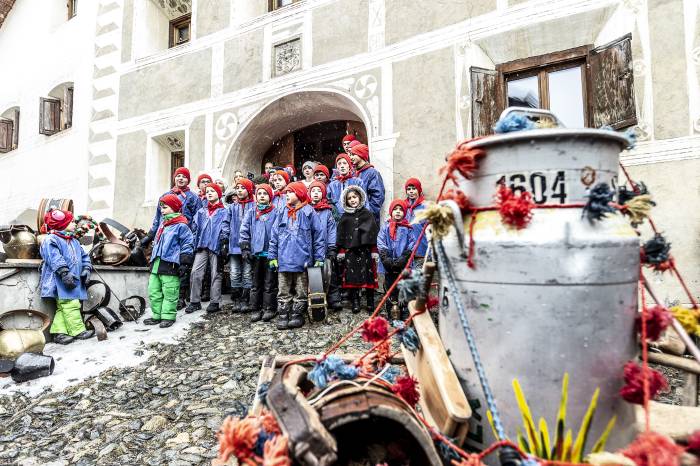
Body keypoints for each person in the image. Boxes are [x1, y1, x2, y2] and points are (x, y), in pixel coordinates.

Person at [268, 181, 325, 330]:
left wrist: (319, 257)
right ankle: (283, 313)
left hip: (303, 259)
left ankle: (297, 313)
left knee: (301, 289)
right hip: (284, 259)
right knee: (283, 288)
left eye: (290, 192)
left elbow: (318, 236)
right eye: (286, 192)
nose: (286, 195)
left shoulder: (309, 212)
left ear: (299, 194)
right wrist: (273, 256)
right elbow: (274, 235)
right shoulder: (282, 212)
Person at [141, 167, 199, 310]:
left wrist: (193, 237)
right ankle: (164, 300)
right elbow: (158, 218)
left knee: (181, 266)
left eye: (184, 177)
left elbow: (198, 218)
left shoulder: (192, 197)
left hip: (182, 235)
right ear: (174, 178)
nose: (180, 178)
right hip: (165, 235)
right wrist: (150, 235)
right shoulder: (165, 195)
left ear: (188, 180)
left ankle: (180, 297)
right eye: (178, 176)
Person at [39, 209, 95, 344]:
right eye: (71, 222)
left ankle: (59, 334)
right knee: (71, 304)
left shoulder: (73, 240)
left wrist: (87, 268)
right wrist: (64, 272)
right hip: (61, 281)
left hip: (74, 279)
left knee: (63, 306)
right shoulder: (51, 240)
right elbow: (54, 257)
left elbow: (84, 256)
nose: (75, 223)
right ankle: (78, 330)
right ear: (61, 225)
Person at [143, 194, 194, 328]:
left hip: (170, 264)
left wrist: (184, 262)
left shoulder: (181, 226)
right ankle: (157, 315)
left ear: (174, 208)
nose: (162, 210)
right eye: (161, 208)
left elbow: (187, 243)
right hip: (157, 264)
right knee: (154, 291)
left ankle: (168, 316)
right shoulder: (163, 224)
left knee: (170, 291)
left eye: (165, 207)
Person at [186, 183, 230, 314]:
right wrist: (194, 242)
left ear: (219, 194)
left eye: (212, 191)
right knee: (195, 272)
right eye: (207, 191)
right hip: (202, 245)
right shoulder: (201, 212)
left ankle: (215, 301)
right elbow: (194, 228)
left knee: (216, 273)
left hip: (216, 246)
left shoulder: (225, 211)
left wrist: (223, 242)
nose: (209, 193)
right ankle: (195, 301)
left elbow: (226, 228)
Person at [336, 186, 379, 314]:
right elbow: (342, 235)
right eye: (349, 198)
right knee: (352, 276)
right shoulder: (345, 217)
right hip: (351, 252)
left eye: (354, 197)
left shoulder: (368, 214)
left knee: (369, 275)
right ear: (346, 201)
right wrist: (342, 251)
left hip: (365, 251)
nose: (352, 200)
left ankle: (370, 301)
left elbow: (373, 233)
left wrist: (374, 250)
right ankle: (355, 302)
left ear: (360, 197)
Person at [239, 183, 278, 323]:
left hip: (270, 254)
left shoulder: (276, 212)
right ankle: (255, 307)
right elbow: (244, 231)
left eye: (265, 194)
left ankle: (269, 308)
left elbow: (278, 232)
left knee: (269, 282)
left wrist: (276, 251)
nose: (262, 196)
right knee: (256, 282)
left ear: (270, 197)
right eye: (259, 194)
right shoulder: (251, 212)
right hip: (256, 254)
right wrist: (245, 248)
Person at [377, 199, 415, 319]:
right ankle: (391, 312)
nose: (398, 212)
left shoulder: (408, 228)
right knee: (390, 288)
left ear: (404, 212)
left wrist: (405, 257)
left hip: (403, 265)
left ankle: (404, 311)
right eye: (395, 209)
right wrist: (385, 258)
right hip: (389, 265)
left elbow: (412, 243)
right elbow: (381, 241)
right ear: (391, 211)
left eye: (400, 210)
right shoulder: (386, 227)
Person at [308, 181, 341, 310]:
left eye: (318, 191)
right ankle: (315, 299)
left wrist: (332, 247)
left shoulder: (327, 211)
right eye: (313, 191)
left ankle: (334, 298)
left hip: (326, 248)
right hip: (311, 250)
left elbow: (332, 230)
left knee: (329, 274)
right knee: (313, 275)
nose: (316, 194)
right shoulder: (306, 209)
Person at [224, 177, 255, 312]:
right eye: (238, 188)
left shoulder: (253, 206)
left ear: (248, 190)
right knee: (235, 272)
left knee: (247, 272)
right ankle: (236, 299)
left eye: (243, 188)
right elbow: (225, 224)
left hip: (248, 246)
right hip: (234, 246)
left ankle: (245, 299)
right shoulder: (231, 208)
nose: (240, 191)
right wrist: (224, 240)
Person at [349, 143, 385, 224]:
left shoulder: (372, 173)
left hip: (368, 219)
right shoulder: (353, 173)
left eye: (353, 154)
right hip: (354, 218)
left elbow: (378, 197)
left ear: (361, 155)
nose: (351, 157)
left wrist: (367, 213)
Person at [404, 177, 428, 266]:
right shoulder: (403, 207)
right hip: (406, 252)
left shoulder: (425, 207)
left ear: (419, 190)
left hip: (421, 249)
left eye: (414, 189)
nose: (411, 191)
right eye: (408, 189)